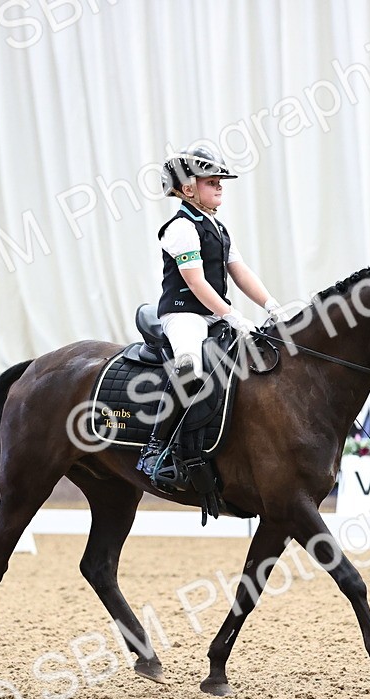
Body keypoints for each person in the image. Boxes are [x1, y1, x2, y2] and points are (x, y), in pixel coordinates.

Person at [136, 145, 281, 481]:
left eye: (220, 181)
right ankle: (156, 449)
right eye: (211, 181)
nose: (219, 186)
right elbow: (196, 282)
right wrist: (232, 314)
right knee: (190, 366)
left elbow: (239, 271)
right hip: (184, 315)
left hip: (214, 315)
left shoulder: (218, 227)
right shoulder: (181, 228)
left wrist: (270, 304)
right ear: (188, 189)